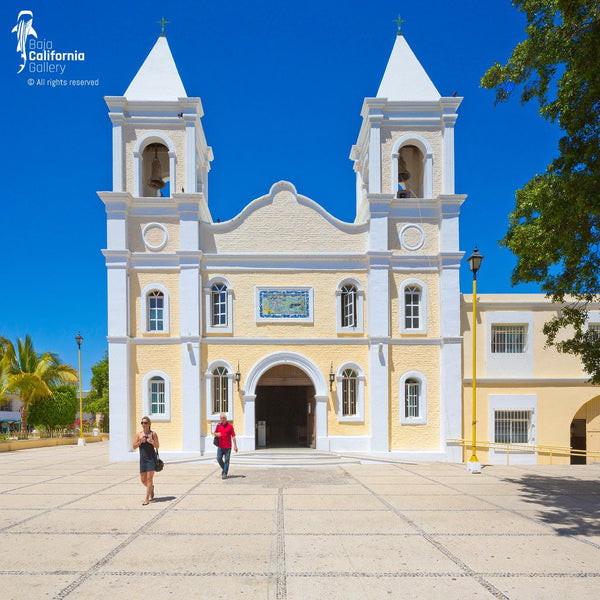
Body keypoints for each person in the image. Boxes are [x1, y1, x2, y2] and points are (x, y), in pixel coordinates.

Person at [133, 416, 160, 505]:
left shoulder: (153, 434)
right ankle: (151, 488)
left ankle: (146, 499)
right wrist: (140, 441)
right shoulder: (139, 434)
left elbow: (157, 446)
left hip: (151, 459)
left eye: (145, 423)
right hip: (143, 459)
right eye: (142, 423)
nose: (143, 425)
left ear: (149, 424)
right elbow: (134, 446)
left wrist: (152, 441)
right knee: (143, 480)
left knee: (149, 479)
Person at [214, 412, 237, 479]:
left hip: (228, 447)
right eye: (221, 418)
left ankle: (224, 473)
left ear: (226, 419)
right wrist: (217, 434)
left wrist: (235, 446)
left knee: (227, 460)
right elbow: (214, 433)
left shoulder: (230, 426)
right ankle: (225, 469)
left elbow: (233, 436)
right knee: (218, 459)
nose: (222, 419)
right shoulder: (218, 426)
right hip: (220, 446)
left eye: (223, 418)